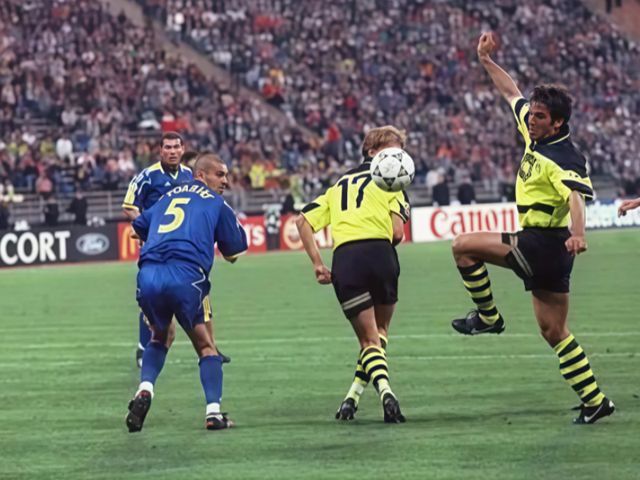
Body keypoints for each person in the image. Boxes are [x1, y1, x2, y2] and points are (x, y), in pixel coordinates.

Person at [449, 32, 614, 424]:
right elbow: (512, 93)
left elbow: (575, 196)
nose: (531, 119)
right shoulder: (535, 132)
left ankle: (488, 317)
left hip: (544, 242)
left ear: (557, 123)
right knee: (554, 331)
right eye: (532, 114)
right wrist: (486, 61)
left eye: (539, 117)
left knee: (463, 246)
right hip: (550, 250)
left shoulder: (564, 157)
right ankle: (595, 400)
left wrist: (580, 233)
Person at [126, 152, 248, 432]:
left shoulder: (166, 198)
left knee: (160, 335)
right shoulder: (217, 203)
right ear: (200, 175)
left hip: (149, 274)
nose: (225, 181)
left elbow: (137, 229)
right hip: (185, 275)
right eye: (220, 174)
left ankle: (145, 389)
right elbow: (234, 253)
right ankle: (214, 413)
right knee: (205, 346)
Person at [296, 125, 410, 423]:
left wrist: (317, 263)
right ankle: (382, 392)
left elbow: (303, 221)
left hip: (346, 260)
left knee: (369, 340)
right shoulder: (391, 182)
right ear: (371, 151)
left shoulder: (338, 186)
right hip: (381, 254)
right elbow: (398, 233)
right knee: (379, 334)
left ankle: (354, 397)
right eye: (390, 151)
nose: (396, 159)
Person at [122, 131, 193, 368]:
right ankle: (144, 348)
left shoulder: (189, 175)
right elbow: (129, 205)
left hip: (182, 249)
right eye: (168, 147)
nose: (172, 151)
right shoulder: (148, 176)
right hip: (155, 249)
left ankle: (206, 346)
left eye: (176, 147)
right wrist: (149, 229)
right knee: (151, 297)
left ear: (182, 149)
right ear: (160, 151)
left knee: (192, 292)